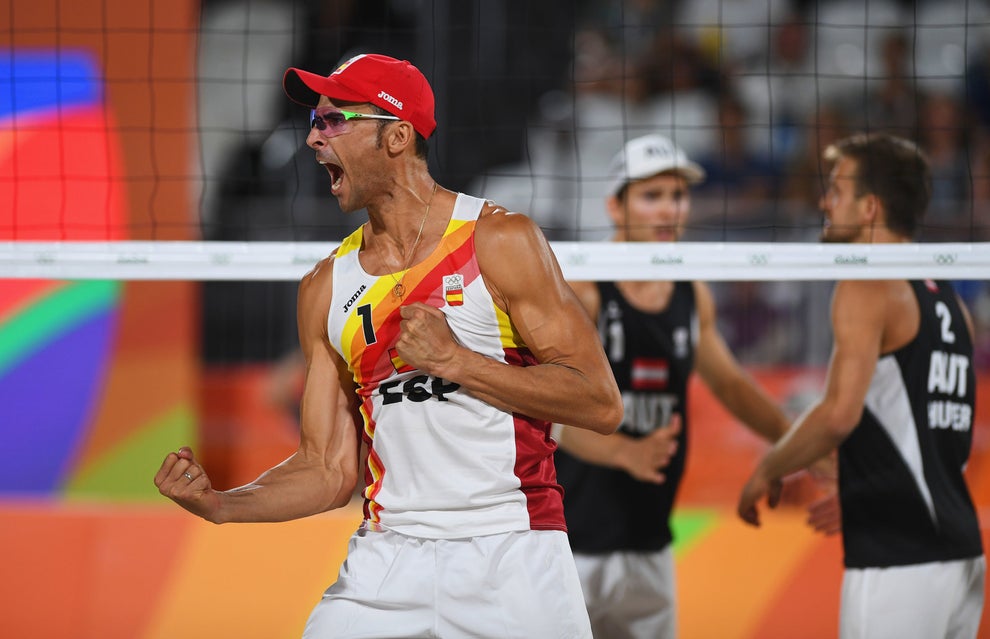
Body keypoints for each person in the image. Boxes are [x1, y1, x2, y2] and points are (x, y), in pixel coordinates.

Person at [154, 52, 624, 639]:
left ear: (397, 136)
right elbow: (327, 469)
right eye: (315, 122)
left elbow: (599, 402)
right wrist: (224, 504)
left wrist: (457, 362)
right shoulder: (325, 286)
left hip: (512, 548)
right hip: (387, 558)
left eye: (333, 121)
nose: (313, 139)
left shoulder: (500, 240)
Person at [553, 133, 808, 639]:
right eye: (652, 196)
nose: (670, 209)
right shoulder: (584, 290)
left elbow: (731, 384)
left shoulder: (691, 293)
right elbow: (549, 413)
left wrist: (796, 442)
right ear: (615, 206)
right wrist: (624, 451)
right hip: (573, 541)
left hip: (651, 538)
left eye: (678, 195)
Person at [738, 132, 986, 639]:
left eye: (836, 189)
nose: (824, 202)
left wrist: (768, 466)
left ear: (870, 206)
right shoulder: (953, 305)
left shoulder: (867, 285)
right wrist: (865, 488)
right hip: (960, 553)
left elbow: (838, 414)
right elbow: (933, 434)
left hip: (900, 560)